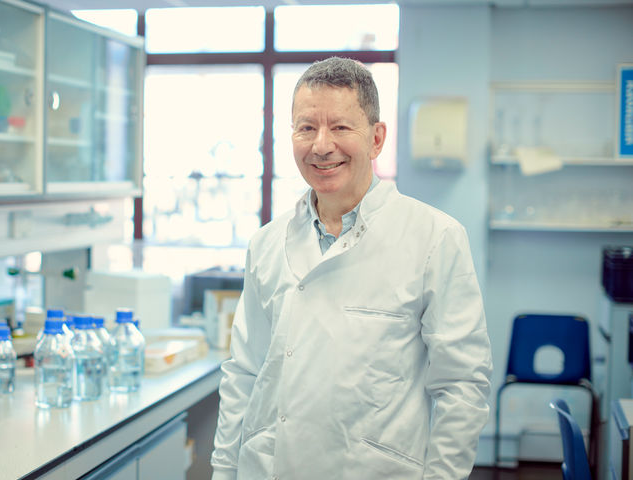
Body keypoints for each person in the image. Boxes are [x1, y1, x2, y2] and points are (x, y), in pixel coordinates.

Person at [210, 57, 492, 479]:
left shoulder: (434, 237)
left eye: (341, 127)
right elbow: (244, 372)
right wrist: (223, 469)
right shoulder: (266, 243)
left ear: (377, 138)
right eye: (306, 127)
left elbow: (462, 385)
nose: (321, 145)